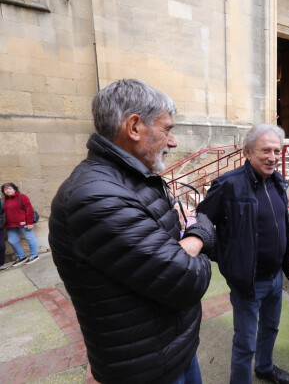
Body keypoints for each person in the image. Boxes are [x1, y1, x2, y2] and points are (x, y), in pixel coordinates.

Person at [49, 79, 214, 384]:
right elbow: (187, 279)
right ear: (134, 127)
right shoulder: (97, 196)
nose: (173, 141)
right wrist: (200, 232)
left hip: (171, 353)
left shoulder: (135, 178)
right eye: (167, 129)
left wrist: (185, 241)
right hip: (146, 371)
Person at [197, 123, 289, 384]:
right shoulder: (228, 185)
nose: (272, 157)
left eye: (276, 151)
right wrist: (226, 256)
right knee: (245, 344)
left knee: (271, 328)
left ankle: (264, 367)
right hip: (248, 282)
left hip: (274, 278)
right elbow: (203, 219)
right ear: (248, 152)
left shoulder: (277, 183)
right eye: (265, 150)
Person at [2, 183, 39, 267]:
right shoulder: (6, 200)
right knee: (12, 240)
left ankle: (34, 255)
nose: (8, 190)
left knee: (29, 238)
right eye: (5, 189)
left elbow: (29, 209)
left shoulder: (22, 197)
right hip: (10, 225)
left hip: (24, 223)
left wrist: (30, 222)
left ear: (15, 189)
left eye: (9, 188)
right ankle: (21, 256)